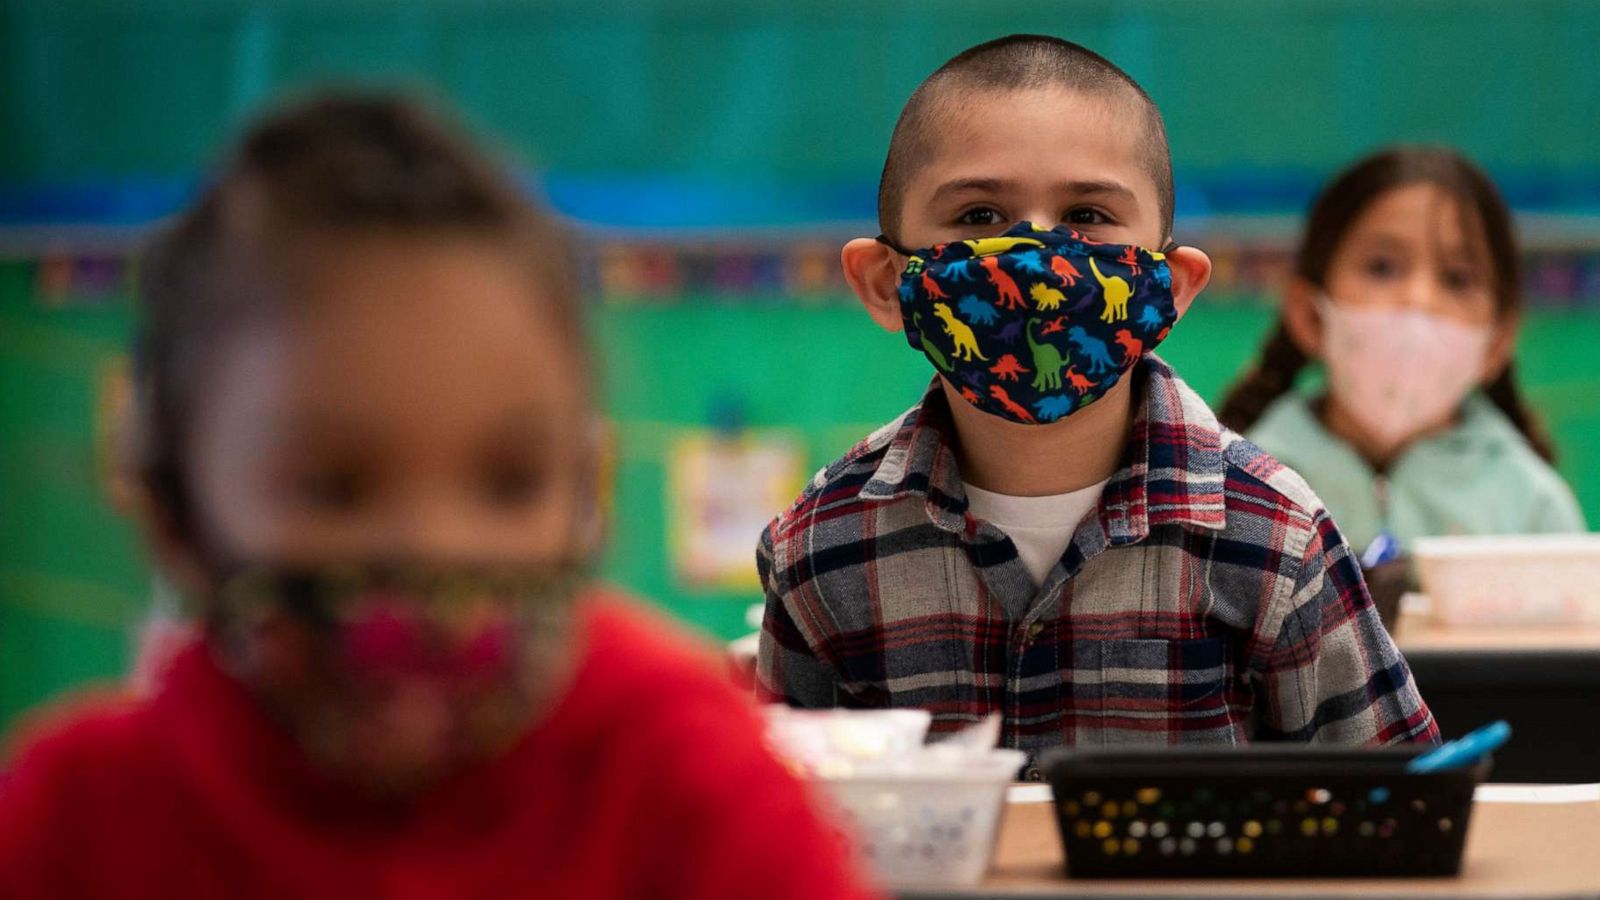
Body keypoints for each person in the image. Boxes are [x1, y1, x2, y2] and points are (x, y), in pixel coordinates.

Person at [0, 94, 877, 900]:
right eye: (333, 487)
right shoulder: (77, 820)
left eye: (510, 482)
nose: (437, 543)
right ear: (174, 513)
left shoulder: (685, 777)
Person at [756, 35, 1437, 760]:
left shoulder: (1276, 538)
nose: (1039, 255)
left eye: (1088, 214)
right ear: (885, 282)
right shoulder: (820, 549)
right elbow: (774, 838)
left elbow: (1398, 800)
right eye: (980, 216)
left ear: (1168, 289)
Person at [1219, 147, 1585, 555]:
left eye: (1457, 279)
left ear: (1498, 340)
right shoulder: (1238, 492)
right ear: (1310, 315)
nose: (1418, 298)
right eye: (1382, 268)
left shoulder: (1534, 512)